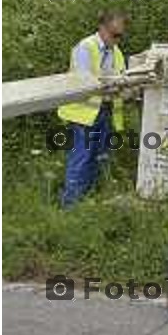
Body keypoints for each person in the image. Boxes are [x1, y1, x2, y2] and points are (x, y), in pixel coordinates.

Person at [57, 11, 128, 207]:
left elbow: (121, 78)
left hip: (104, 111)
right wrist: (112, 85)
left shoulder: (116, 52)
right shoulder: (85, 48)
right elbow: (83, 82)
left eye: (120, 35)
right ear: (102, 28)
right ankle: (70, 205)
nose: (117, 40)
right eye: (114, 35)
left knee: (99, 157)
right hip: (83, 114)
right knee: (81, 159)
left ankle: (88, 200)